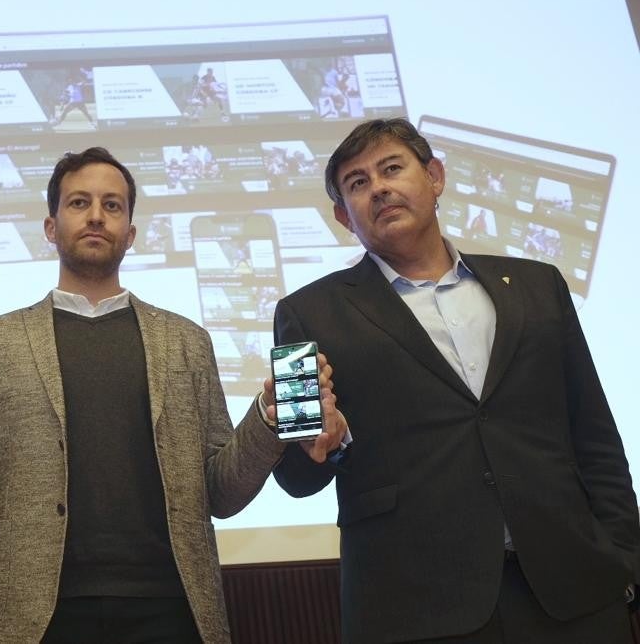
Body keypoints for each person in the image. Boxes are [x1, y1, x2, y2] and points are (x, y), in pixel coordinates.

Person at [0, 147, 346, 643]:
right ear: (50, 226)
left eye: (112, 205)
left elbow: (220, 492)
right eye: (79, 203)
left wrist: (268, 416)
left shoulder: (186, 341)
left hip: (170, 608)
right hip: (30, 617)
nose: (96, 216)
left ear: (129, 233)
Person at [270, 118, 640, 643]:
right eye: (357, 183)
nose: (378, 187)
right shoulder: (303, 314)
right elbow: (295, 476)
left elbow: (594, 434)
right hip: (417, 606)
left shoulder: (537, 286)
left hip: (574, 594)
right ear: (342, 216)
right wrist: (321, 447)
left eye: (392, 168)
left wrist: (624, 561)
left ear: (435, 177)